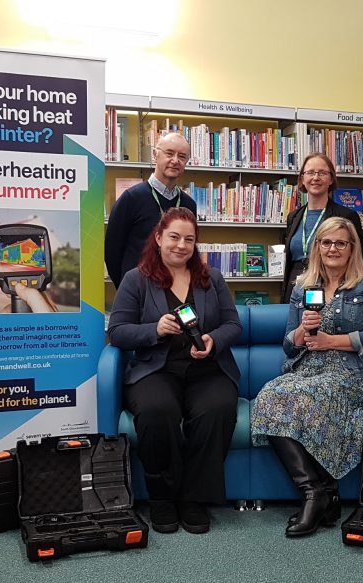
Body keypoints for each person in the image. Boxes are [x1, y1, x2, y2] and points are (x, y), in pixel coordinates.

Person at [252, 216, 363, 537]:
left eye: (340, 243)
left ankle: (315, 496)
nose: (333, 249)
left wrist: (335, 342)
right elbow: (289, 346)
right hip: (306, 369)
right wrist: (303, 329)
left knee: (309, 396)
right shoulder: (302, 286)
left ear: (352, 248)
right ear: (317, 247)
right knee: (269, 396)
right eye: (326, 242)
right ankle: (321, 491)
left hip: (348, 374)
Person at [108, 207, 241, 535]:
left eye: (189, 239)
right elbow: (118, 331)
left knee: (218, 408)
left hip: (206, 369)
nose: (181, 245)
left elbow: (233, 325)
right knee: (156, 411)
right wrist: (155, 329)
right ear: (158, 238)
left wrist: (213, 339)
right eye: (174, 237)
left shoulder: (211, 279)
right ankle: (162, 497)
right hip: (156, 370)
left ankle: (193, 498)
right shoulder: (136, 279)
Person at [105, 133, 196, 288]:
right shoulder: (131, 198)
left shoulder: (188, 205)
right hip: (139, 290)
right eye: (169, 153)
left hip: (175, 289)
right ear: (155, 155)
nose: (175, 160)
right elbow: (112, 251)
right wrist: (127, 289)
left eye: (182, 156)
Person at [282, 153, 363, 303]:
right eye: (310, 173)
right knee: (297, 326)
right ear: (302, 178)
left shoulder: (347, 216)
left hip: (329, 284)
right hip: (296, 285)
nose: (316, 178)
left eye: (322, 173)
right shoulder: (293, 217)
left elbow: (359, 259)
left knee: (318, 324)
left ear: (331, 179)